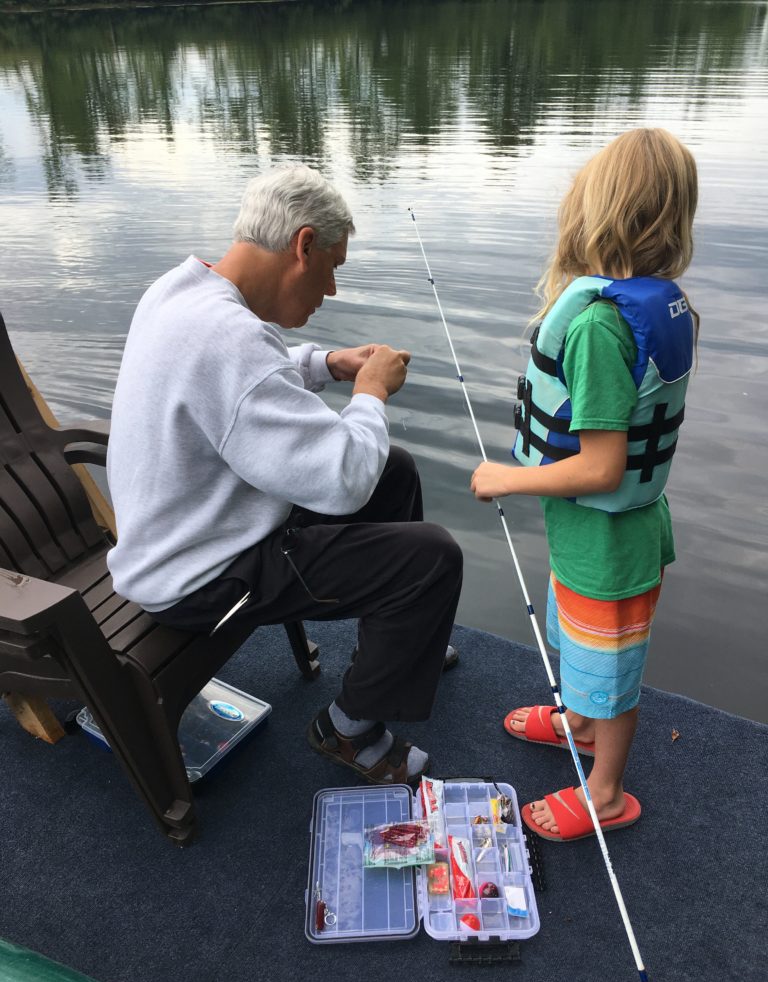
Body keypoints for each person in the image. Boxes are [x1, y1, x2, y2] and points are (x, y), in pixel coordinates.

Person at [107, 164, 463, 786]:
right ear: (303, 245)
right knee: (431, 558)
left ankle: (394, 649)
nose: (331, 290)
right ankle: (348, 729)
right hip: (200, 577)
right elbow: (344, 476)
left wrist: (328, 363)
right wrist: (372, 393)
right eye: (333, 267)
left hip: (188, 532)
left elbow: (250, 378)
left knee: (396, 471)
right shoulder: (226, 338)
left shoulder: (181, 291)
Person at [470, 128, 698, 841]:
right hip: (597, 536)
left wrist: (509, 477)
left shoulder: (600, 328)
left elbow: (600, 467)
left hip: (610, 542)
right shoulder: (656, 305)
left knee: (612, 665)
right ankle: (579, 718)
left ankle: (605, 788)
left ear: (595, 213)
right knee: (582, 643)